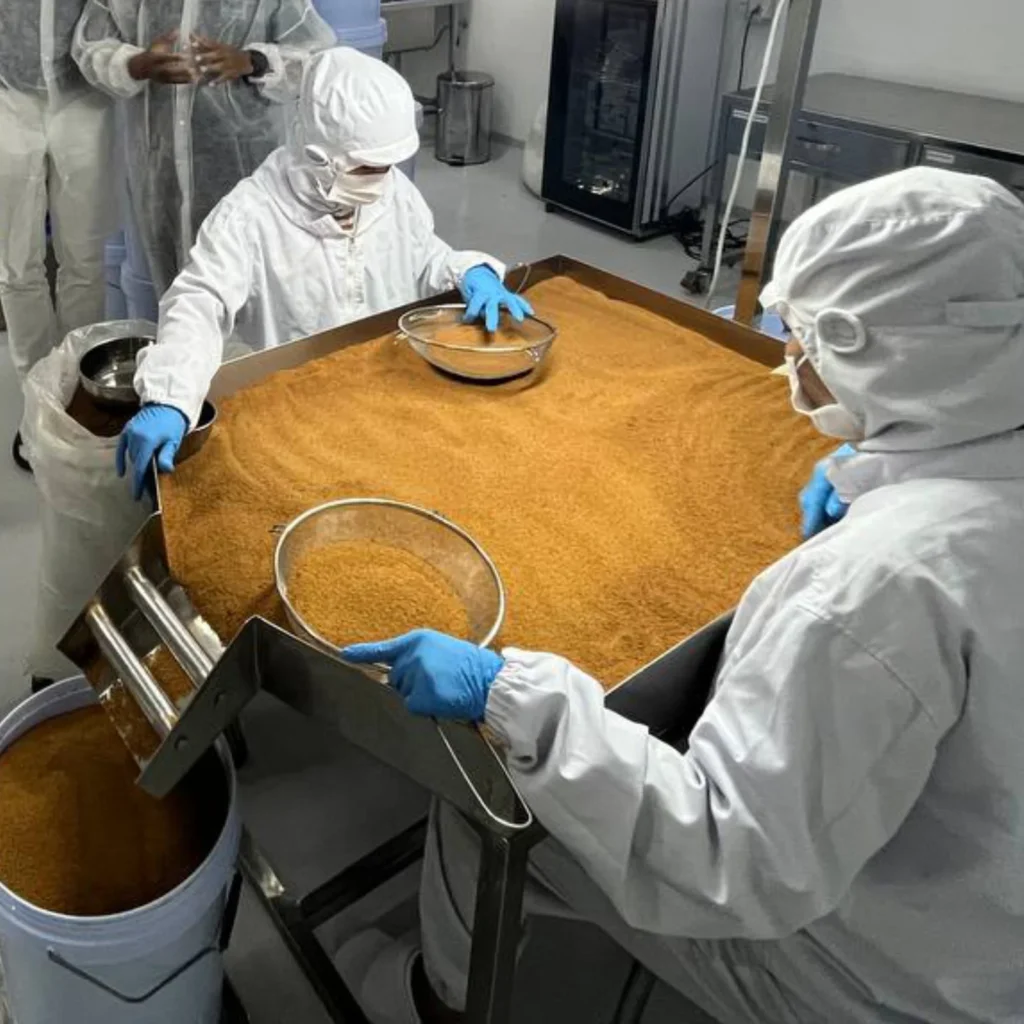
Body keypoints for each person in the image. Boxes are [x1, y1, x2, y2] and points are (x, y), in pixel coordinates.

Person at [336, 168, 1024, 1024]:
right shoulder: (985, 437)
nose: (789, 360)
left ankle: (425, 1004)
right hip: (988, 923)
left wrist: (510, 695)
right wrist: (880, 469)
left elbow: (727, 860)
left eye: (809, 343)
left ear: (884, 358)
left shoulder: (871, 590)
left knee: (484, 802)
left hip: (879, 976)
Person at [114, 47, 532, 500]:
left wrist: (469, 270)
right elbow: (200, 301)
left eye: (387, 166)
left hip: (387, 391)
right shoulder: (251, 214)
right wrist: (171, 397)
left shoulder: (393, 190)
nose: (381, 179)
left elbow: (422, 255)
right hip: (294, 408)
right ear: (317, 152)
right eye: (366, 168)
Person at [72, 0, 335, 303]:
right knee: (177, 300)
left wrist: (253, 61)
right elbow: (90, 45)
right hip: (159, 171)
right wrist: (137, 65)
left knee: (255, 295)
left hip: (245, 166)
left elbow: (314, 58)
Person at [1, 0, 116, 471]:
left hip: (86, 97)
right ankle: (37, 408)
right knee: (14, 264)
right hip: (7, 95)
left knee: (85, 263)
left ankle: (77, 399)